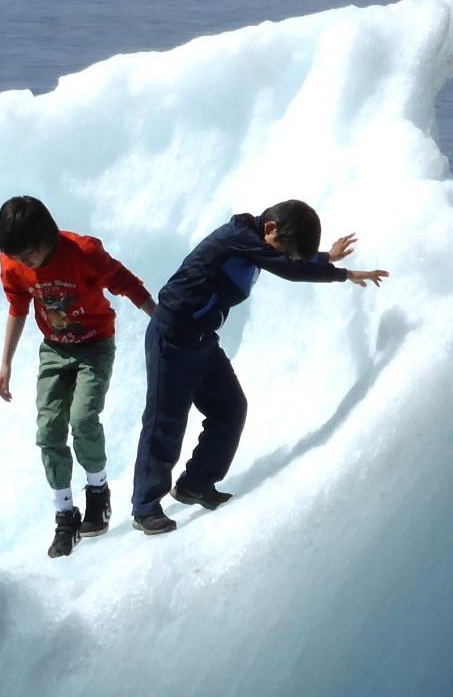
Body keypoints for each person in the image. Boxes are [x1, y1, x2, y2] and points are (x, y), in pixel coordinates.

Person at [129, 200, 387, 535]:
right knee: (165, 420)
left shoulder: (257, 242)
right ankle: (145, 507)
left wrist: (325, 257)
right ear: (270, 229)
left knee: (230, 409)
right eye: (285, 247)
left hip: (202, 339)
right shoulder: (239, 236)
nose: (286, 255)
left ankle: (195, 484)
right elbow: (290, 267)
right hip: (173, 336)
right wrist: (342, 274)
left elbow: (287, 258)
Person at [0, 195, 155, 558]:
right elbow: (17, 307)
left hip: (95, 345)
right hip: (55, 349)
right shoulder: (12, 263)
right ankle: (65, 516)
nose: (24, 262)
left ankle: (98, 492)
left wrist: (158, 316)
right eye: (17, 255)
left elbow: (125, 282)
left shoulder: (83, 251)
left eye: (29, 254)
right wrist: (6, 362)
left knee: (82, 419)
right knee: (48, 430)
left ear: (47, 238)